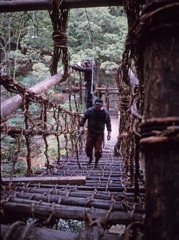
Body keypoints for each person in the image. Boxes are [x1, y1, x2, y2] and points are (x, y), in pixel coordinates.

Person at [79, 98, 112, 168]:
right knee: (88, 148)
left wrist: (109, 132)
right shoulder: (89, 111)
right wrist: (81, 127)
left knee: (98, 150)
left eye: (99, 107)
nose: (98, 108)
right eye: (97, 107)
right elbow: (83, 118)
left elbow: (108, 122)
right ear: (94, 105)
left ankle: (96, 161)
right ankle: (90, 158)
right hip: (90, 132)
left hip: (99, 133)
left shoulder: (104, 113)